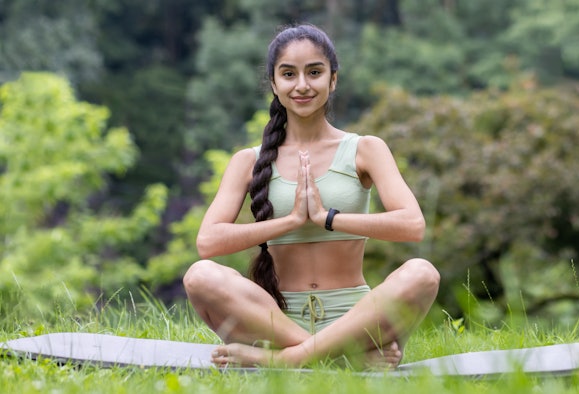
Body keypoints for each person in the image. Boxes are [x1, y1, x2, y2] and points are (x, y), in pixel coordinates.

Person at [183, 24, 440, 370]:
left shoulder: (365, 149)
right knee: (200, 275)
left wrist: (326, 218)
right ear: (274, 84)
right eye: (288, 74)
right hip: (274, 321)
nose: (302, 85)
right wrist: (289, 222)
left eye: (314, 72)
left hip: (356, 318)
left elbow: (412, 225)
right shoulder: (248, 160)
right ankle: (341, 356)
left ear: (333, 80)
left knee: (422, 274)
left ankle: (287, 361)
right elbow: (208, 241)